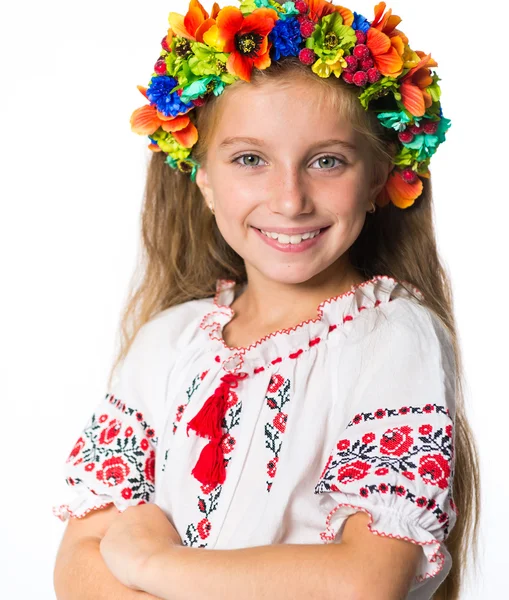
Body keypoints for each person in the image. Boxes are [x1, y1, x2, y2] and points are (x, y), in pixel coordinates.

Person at [52, 1, 480, 599]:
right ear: (201, 175)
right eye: (250, 159)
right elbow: (80, 565)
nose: (289, 199)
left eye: (327, 161)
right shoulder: (167, 342)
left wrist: (152, 562)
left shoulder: (389, 337)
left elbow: (363, 583)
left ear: (379, 177)